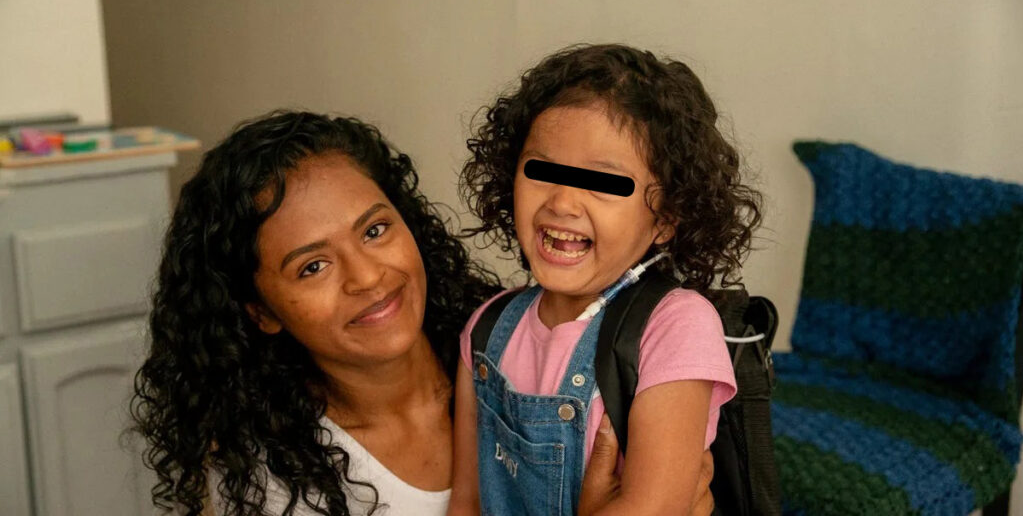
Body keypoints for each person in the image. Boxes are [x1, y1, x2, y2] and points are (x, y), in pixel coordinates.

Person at [130, 110, 716, 516]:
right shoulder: (278, 485)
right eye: (313, 266)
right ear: (261, 311)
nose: (366, 277)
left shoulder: (499, 345)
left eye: (375, 230)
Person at [450, 44, 763, 515]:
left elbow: (654, 508)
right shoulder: (487, 329)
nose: (562, 202)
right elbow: (467, 502)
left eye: (603, 183)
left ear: (666, 217)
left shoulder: (675, 327)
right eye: (542, 171)